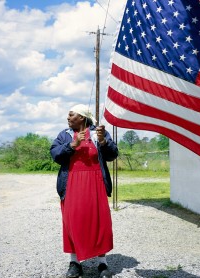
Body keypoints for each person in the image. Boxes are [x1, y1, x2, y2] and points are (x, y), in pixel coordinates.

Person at [50, 104, 118, 278]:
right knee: (72, 222)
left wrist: (103, 142)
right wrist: (73, 144)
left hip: (96, 183)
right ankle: (74, 263)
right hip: (71, 183)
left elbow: (113, 154)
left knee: (100, 222)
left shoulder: (98, 134)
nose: (68, 118)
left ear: (81, 117)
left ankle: (103, 264)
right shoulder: (64, 135)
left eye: (71, 115)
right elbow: (56, 155)